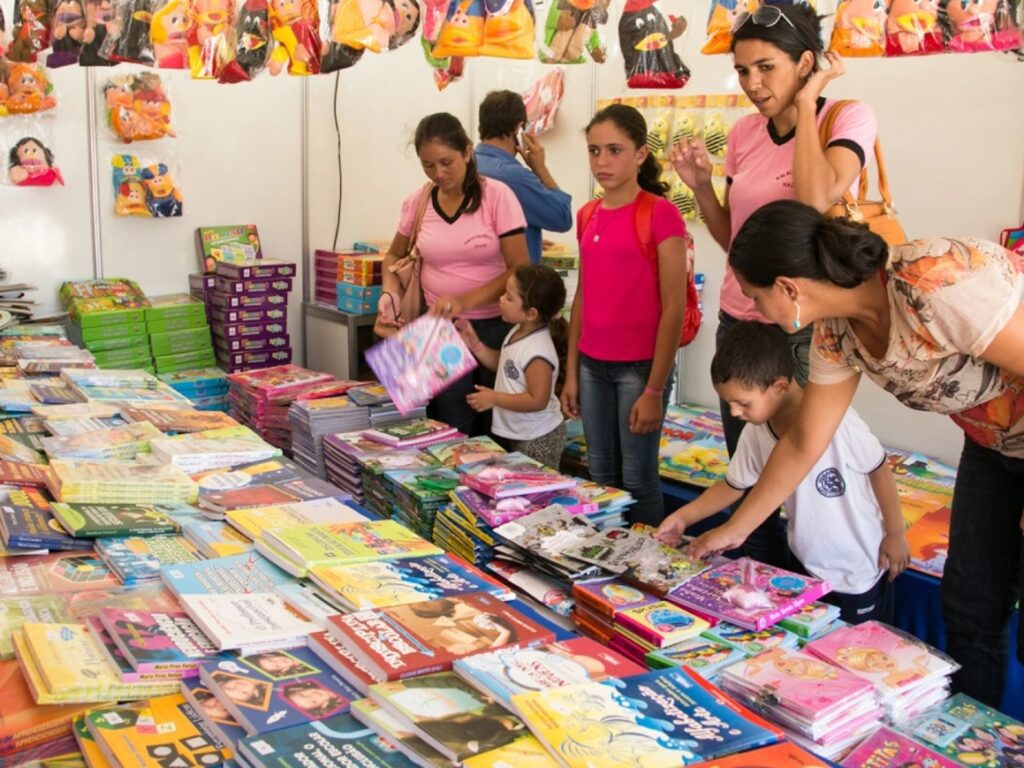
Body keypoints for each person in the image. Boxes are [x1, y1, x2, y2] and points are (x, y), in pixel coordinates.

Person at [687, 199, 1024, 707]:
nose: (755, 312)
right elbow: (804, 441)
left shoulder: (934, 282)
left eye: (756, 298)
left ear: (788, 287)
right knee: (971, 608)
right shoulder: (835, 334)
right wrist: (736, 527)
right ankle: (984, 740)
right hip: (989, 446)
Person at [668, 2, 877, 565]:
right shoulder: (742, 133)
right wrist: (702, 188)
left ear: (806, 62)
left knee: (807, 468)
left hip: (806, 327)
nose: (752, 84)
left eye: (766, 68)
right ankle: (749, 584)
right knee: (745, 459)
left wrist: (807, 103)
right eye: (742, 70)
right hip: (742, 316)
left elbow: (813, 201)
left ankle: (805, 584)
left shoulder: (847, 117)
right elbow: (739, 244)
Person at [656, 321, 909, 624]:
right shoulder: (756, 431)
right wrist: (684, 517)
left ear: (779, 386)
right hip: (805, 564)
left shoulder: (838, 423)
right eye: (729, 403)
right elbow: (733, 485)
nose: (735, 412)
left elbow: (879, 470)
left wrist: (895, 533)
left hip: (858, 570)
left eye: (742, 403)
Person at [560, 103, 688, 526]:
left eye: (614, 150)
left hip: (640, 369)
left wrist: (654, 389)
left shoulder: (660, 213)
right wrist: (572, 371)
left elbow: (674, 308)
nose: (602, 161)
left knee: (637, 478)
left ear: (639, 154)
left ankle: (647, 567)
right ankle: (608, 565)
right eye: (594, 151)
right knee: (600, 474)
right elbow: (583, 297)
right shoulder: (587, 215)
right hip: (593, 366)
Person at [378, 112, 530, 436]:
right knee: (450, 426)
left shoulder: (497, 196)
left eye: (446, 162)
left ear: (467, 151)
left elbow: (520, 266)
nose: (439, 173)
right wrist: (389, 293)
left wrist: (464, 301)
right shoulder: (418, 202)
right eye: (428, 165)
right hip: (439, 332)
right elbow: (394, 255)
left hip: (496, 326)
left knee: (497, 427)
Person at [457, 264, 567, 468]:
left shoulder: (538, 351)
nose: (501, 300)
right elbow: (506, 365)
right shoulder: (518, 330)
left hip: (539, 437)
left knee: (537, 490)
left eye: (508, 298)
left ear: (531, 313)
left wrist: (495, 398)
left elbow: (537, 400)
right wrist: (475, 344)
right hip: (524, 433)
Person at [474, 90, 573, 265]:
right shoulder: (514, 176)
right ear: (518, 128)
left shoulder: (467, 166)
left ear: (481, 126)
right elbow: (562, 218)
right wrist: (540, 169)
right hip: (511, 285)